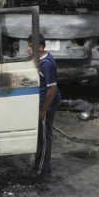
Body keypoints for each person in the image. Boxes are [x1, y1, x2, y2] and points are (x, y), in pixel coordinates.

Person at [28, 34, 60, 179]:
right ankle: (38, 163)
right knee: (40, 136)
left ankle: (41, 169)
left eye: (31, 47)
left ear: (40, 47)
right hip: (42, 103)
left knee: (44, 137)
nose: (28, 50)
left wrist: (43, 109)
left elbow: (52, 89)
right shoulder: (39, 60)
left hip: (47, 104)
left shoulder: (46, 64)